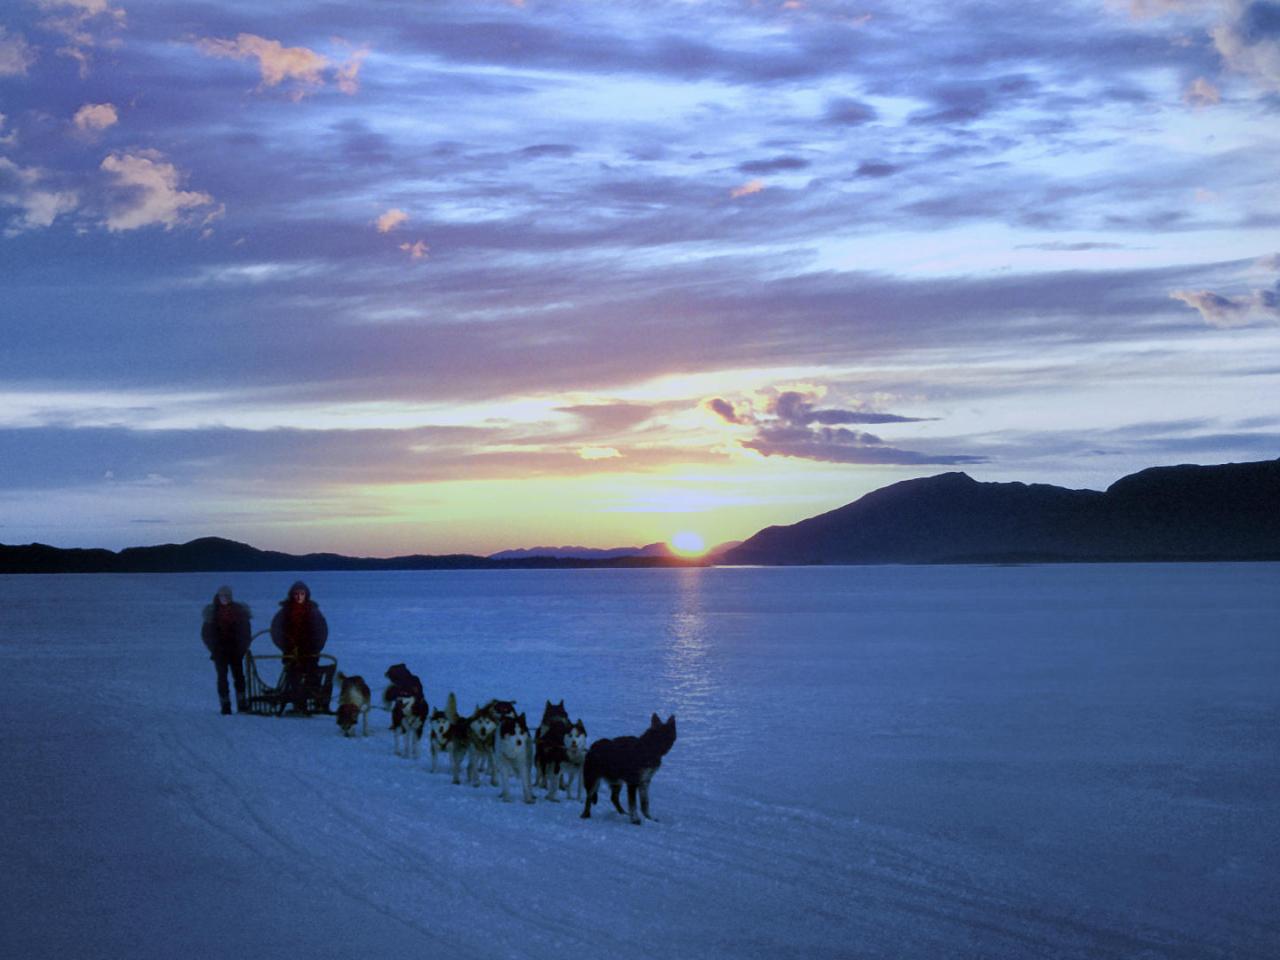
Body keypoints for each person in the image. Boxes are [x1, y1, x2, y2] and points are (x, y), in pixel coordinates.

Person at [269, 581, 329, 712]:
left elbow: (321, 631)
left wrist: (315, 648)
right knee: (294, 676)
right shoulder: (284, 613)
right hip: (291, 652)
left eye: (302, 593)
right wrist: (286, 647)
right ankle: (299, 703)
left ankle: (313, 701)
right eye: (296, 594)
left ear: (306, 595)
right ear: (291, 595)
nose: (299, 596)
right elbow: (276, 632)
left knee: (312, 675)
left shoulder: (313, 612)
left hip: (310, 651)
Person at [201, 585, 253, 715]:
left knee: (239, 677)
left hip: (236, 651)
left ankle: (241, 703)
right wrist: (214, 648)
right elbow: (206, 634)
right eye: (222, 596)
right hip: (220, 652)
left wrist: (242, 648)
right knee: (222, 678)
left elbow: (246, 632)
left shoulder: (238, 611)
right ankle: (225, 704)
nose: (225, 598)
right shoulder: (212, 613)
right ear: (218, 597)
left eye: (227, 596)